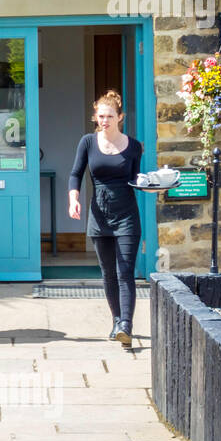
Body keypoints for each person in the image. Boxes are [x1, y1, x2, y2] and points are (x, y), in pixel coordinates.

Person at [67, 90, 167, 346]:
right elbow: (75, 174)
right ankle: (116, 320)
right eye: (101, 116)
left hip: (126, 215)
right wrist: (73, 199)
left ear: (120, 117)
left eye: (110, 116)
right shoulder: (87, 142)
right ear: (95, 117)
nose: (105, 120)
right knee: (108, 274)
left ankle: (126, 325)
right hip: (99, 215)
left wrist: (151, 186)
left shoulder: (133, 146)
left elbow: (135, 180)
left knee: (125, 273)